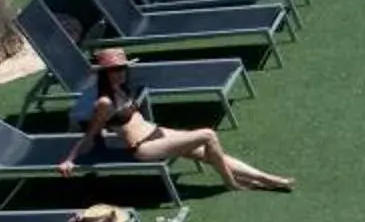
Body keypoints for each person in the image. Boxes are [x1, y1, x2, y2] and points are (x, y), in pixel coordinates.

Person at [61, 47, 293, 191]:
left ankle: (265, 178)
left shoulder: (123, 88)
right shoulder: (104, 102)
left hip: (157, 132)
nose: (121, 72)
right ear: (104, 73)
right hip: (144, 147)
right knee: (208, 134)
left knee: (210, 153)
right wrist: (70, 159)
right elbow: (91, 132)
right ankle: (231, 183)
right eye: (115, 70)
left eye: (122, 68)